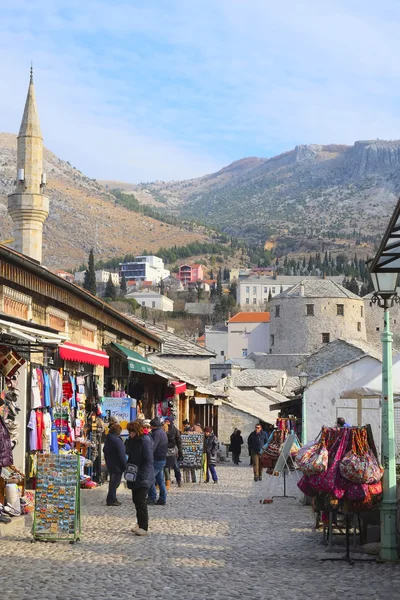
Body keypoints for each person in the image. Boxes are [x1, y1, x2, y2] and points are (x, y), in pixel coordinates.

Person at [125, 420, 154, 536]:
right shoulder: (133, 440)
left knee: (141, 501)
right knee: (136, 500)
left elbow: (148, 460)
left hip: (143, 476)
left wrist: (143, 475)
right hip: (134, 474)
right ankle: (139, 523)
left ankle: (144, 526)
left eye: (131, 432)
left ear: (137, 431)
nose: (130, 434)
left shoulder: (145, 441)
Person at [103, 422, 127, 506]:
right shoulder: (117, 441)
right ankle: (111, 499)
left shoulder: (108, 439)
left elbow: (105, 451)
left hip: (110, 464)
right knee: (115, 483)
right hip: (117, 465)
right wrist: (124, 465)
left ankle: (112, 498)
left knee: (112, 482)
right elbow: (122, 454)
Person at [147, 417, 168, 506]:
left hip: (157, 459)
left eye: (150, 426)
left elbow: (153, 447)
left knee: (150, 478)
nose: (150, 428)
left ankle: (152, 497)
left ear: (154, 426)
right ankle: (162, 498)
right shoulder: (162, 432)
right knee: (160, 480)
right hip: (162, 458)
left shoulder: (156, 434)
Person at [164, 416, 183, 488]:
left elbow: (179, 442)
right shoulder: (163, 430)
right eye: (165, 421)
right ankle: (167, 481)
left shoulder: (175, 430)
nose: (166, 423)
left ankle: (178, 480)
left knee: (176, 466)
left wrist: (180, 452)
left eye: (167, 421)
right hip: (165, 451)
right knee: (166, 468)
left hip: (173, 451)